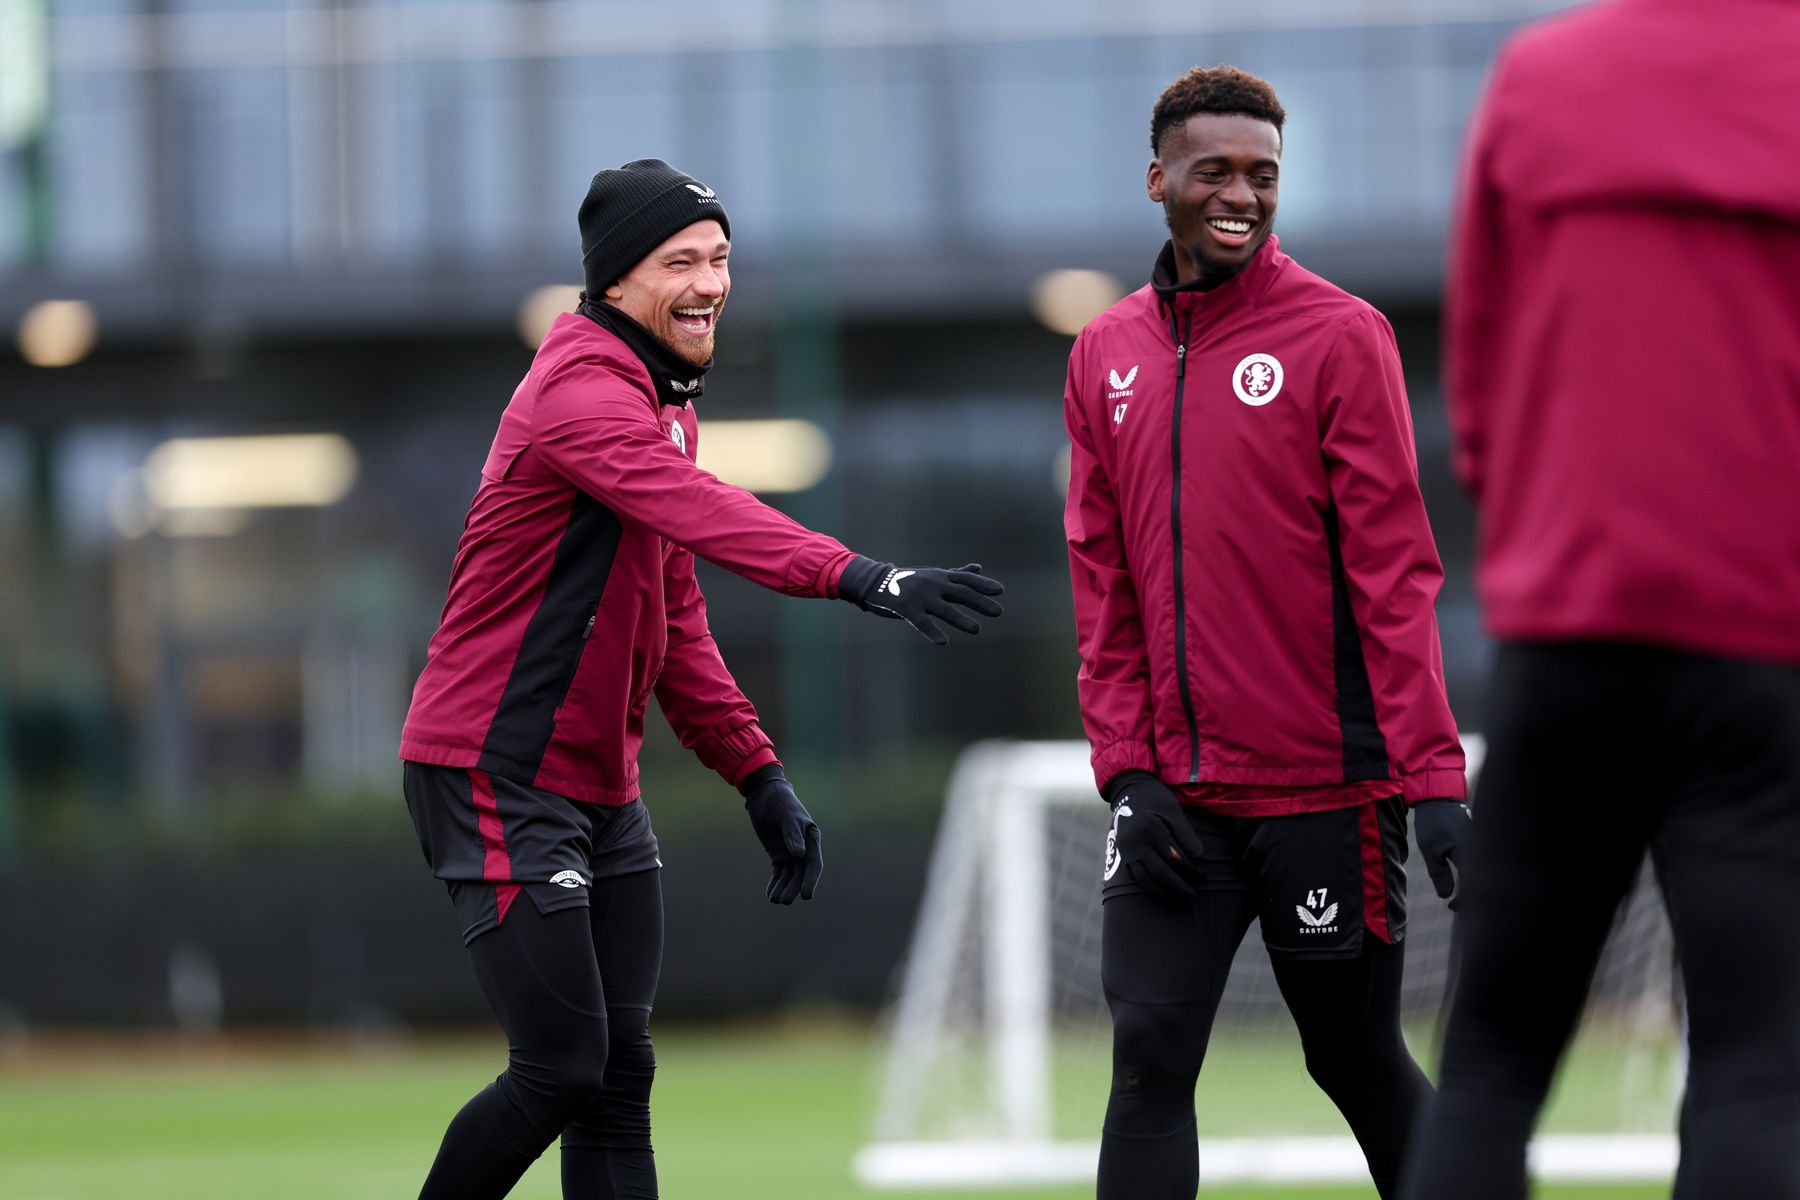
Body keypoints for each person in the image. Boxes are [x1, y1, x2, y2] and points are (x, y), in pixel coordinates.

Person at [397, 158, 1004, 1200]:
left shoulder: (663, 402)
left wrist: (756, 773)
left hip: (596, 786)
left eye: (721, 257)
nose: (711, 281)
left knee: (619, 1079)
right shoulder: (580, 391)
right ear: (617, 281)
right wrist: (863, 575)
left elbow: (675, 618)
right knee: (561, 1069)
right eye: (681, 260)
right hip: (496, 766)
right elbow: (707, 515)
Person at [1399, 2, 1800, 1196]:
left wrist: (1541, 531)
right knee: (1762, 1070)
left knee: (1487, 1068)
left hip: (1571, 631)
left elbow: (1479, 362)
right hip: (1763, 637)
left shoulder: (1544, 76)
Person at [1062, 66, 1469, 1199]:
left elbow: (1396, 573)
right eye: (1216, 172)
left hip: (1323, 793)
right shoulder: (1103, 353)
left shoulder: (1343, 336)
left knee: (1351, 1058)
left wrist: (1432, 778)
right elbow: (1104, 581)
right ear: (1160, 182)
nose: (1242, 194)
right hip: (1172, 802)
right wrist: (1128, 771)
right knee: (1145, 1060)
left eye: (1264, 175)